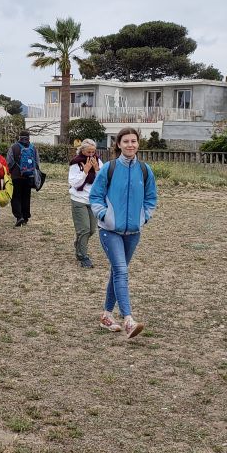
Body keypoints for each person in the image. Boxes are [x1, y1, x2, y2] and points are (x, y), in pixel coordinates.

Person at [88, 127, 157, 339]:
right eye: (126, 141)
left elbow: (151, 198)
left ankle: (106, 316)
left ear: (138, 143)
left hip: (133, 232)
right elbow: (95, 196)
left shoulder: (145, 170)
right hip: (110, 231)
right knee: (121, 271)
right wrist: (104, 216)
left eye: (133, 141)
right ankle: (128, 320)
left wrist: (144, 217)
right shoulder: (109, 168)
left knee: (118, 272)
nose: (130, 145)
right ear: (118, 144)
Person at [68, 139, 103, 268]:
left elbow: (103, 181)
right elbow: (74, 183)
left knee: (92, 230)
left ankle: (79, 244)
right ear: (82, 150)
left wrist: (97, 169)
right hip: (79, 199)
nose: (91, 154)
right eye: (89, 152)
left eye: (93, 152)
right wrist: (85, 171)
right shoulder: (75, 163)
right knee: (84, 229)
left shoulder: (98, 161)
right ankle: (83, 256)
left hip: (93, 200)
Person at [6, 130, 38, 226]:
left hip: (16, 176)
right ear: (28, 137)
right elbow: (37, 162)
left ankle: (19, 217)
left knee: (16, 196)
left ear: (19, 137)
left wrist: (10, 171)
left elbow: (9, 162)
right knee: (26, 196)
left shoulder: (14, 147)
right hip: (29, 176)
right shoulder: (33, 147)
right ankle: (25, 217)